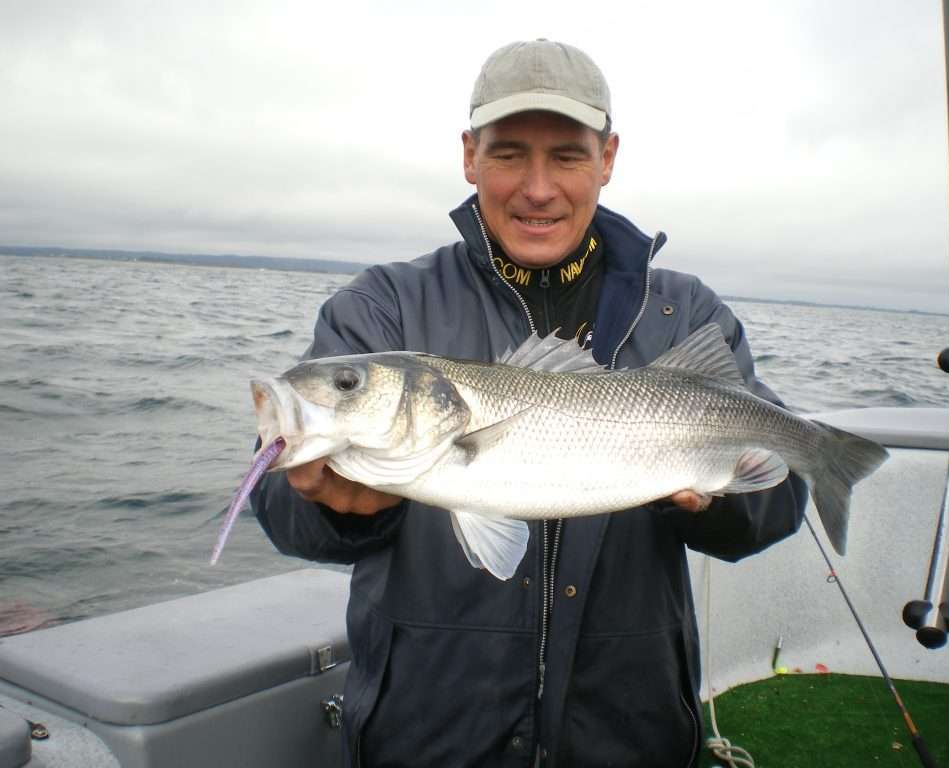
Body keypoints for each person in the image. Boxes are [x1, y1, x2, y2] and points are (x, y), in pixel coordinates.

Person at [253, 39, 807, 768]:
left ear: (608, 159)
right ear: (468, 155)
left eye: (568, 156)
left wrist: (708, 496)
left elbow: (779, 500)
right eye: (509, 153)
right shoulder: (381, 308)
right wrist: (334, 506)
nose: (538, 188)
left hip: (629, 737)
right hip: (429, 738)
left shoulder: (684, 314)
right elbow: (282, 510)